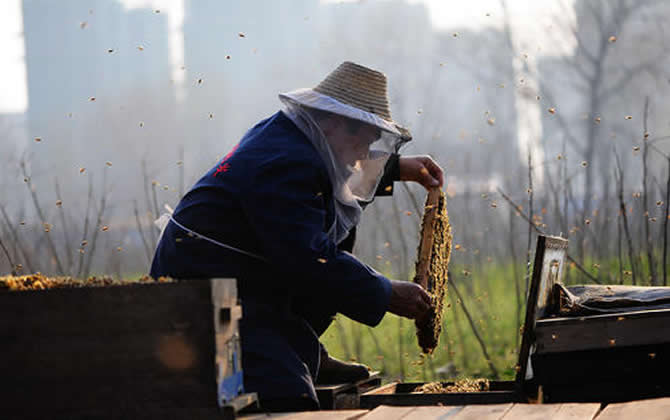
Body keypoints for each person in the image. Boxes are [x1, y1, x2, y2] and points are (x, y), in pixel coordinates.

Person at [150, 61, 444, 411]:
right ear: (334, 121)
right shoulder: (285, 161)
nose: (365, 155)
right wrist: (384, 293)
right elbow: (309, 258)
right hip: (207, 290)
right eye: (364, 142)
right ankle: (293, 363)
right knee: (288, 397)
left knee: (327, 240)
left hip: (245, 280)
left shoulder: (296, 138)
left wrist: (395, 169)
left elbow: (336, 174)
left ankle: (306, 353)